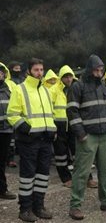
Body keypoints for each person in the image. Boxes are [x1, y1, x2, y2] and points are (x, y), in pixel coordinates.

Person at [67, 55, 106, 220]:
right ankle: (75, 206)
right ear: (89, 69)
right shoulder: (78, 86)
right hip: (88, 137)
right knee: (81, 173)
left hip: (105, 135)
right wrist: (81, 134)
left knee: (105, 171)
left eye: (101, 70)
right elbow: (72, 111)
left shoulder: (105, 86)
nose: (99, 73)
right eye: (96, 70)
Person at [7, 58, 57, 222]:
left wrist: (53, 129)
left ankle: (39, 206)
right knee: (28, 176)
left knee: (43, 175)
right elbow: (12, 114)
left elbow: (51, 114)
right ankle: (25, 209)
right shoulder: (20, 89)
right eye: (36, 70)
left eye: (41, 69)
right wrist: (26, 129)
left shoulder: (46, 91)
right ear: (29, 71)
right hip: (28, 140)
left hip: (45, 139)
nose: (39, 73)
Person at [50, 65, 77, 188]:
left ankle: (86, 177)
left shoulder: (77, 88)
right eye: (65, 77)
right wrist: (52, 127)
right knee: (61, 154)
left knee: (79, 153)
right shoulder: (53, 90)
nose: (68, 79)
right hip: (59, 125)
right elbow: (49, 109)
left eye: (70, 76)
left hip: (74, 124)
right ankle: (65, 178)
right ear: (61, 78)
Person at [0, 62, 16, 200]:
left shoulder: (8, 90)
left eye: (1, 72)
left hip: (5, 131)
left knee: (2, 162)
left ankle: (2, 189)